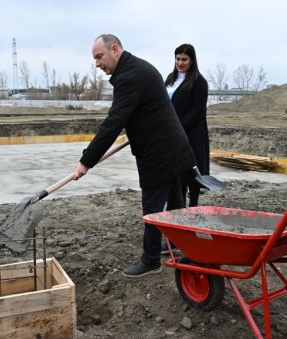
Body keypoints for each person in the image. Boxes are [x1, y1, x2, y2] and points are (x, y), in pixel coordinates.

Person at [72, 34, 196, 278]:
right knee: (176, 202)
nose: (97, 64)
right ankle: (183, 246)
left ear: (115, 49)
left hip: (159, 152)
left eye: (99, 57)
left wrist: (87, 160)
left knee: (152, 207)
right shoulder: (138, 68)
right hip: (171, 147)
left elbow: (114, 122)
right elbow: (145, 111)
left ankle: (151, 260)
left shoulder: (130, 77)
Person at [164, 44, 209, 208]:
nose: (180, 63)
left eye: (184, 59)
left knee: (191, 172)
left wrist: (179, 126)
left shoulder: (199, 82)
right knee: (178, 173)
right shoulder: (170, 78)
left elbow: (198, 111)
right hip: (172, 134)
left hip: (192, 134)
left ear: (192, 61)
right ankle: (179, 206)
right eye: (177, 59)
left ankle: (193, 207)